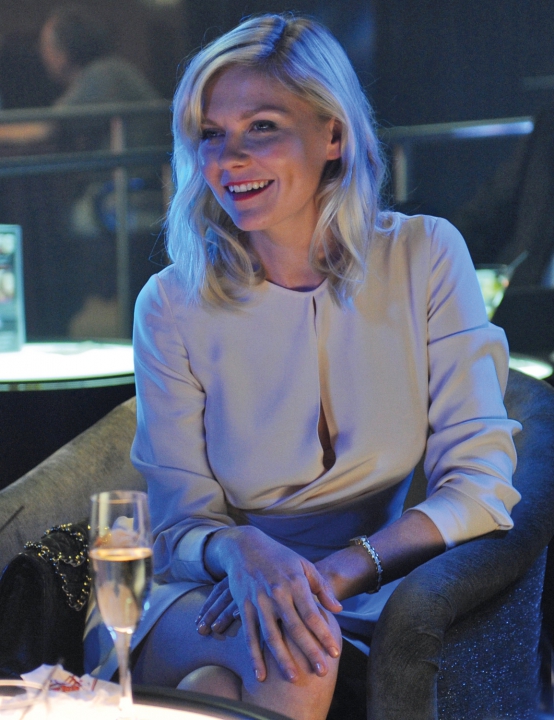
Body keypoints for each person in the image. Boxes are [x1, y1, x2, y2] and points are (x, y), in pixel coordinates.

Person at [84, 14, 521, 720]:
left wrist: (338, 571)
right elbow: (175, 529)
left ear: (333, 135)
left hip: (364, 588)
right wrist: (242, 551)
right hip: (191, 595)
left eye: (262, 127)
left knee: (222, 686)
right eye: (210, 134)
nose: (229, 159)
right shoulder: (170, 304)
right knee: (299, 647)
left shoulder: (426, 256)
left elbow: (481, 485)